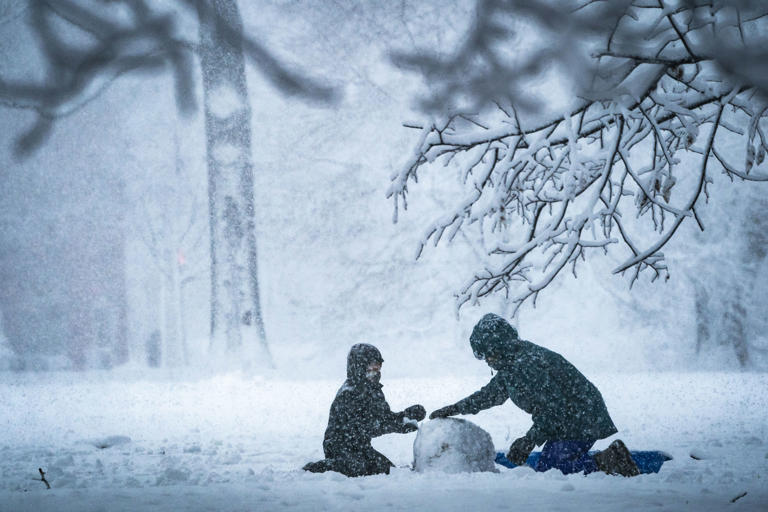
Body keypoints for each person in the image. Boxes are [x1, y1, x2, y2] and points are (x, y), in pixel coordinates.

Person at [430, 313, 639, 476]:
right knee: (548, 465)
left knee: (553, 470)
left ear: (499, 347)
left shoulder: (526, 366)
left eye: (488, 354)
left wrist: (528, 441)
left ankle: (611, 460)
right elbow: (490, 395)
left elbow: (553, 409)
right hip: (568, 419)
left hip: (582, 417)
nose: (487, 360)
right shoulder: (512, 363)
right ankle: (605, 459)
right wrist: (456, 408)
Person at [303, 343, 426, 477]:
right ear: (359, 367)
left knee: (387, 470)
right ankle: (317, 468)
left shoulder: (374, 389)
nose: (376, 371)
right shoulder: (349, 393)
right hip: (340, 448)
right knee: (357, 469)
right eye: (371, 367)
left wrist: (406, 416)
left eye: (378, 367)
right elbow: (366, 426)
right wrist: (397, 425)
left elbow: (384, 418)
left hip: (361, 447)